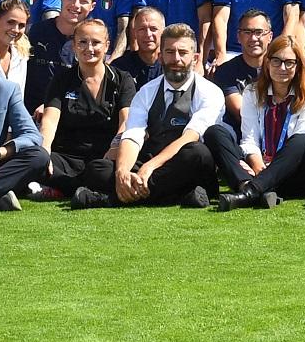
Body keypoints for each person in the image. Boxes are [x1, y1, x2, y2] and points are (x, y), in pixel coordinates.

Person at [77, 23, 226, 208]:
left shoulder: (210, 92)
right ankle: (177, 196)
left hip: (186, 163)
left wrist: (150, 167)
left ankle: (111, 199)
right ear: (160, 56)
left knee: (197, 153)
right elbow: (132, 136)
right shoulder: (146, 92)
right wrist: (122, 173)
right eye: (170, 52)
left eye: (182, 52)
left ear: (195, 58)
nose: (176, 59)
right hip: (155, 163)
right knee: (98, 169)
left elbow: (190, 137)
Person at [210, 34, 305, 210]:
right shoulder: (251, 92)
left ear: (298, 66)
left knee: (302, 141)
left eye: (289, 62)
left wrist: (266, 173)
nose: (282, 67)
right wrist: (258, 166)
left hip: (293, 176)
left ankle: (249, 192)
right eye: (276, 61)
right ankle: (250, 187)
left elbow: (299, 143)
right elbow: (249, 139)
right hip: (257, 168)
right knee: (215, 132)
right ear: (267, 62)